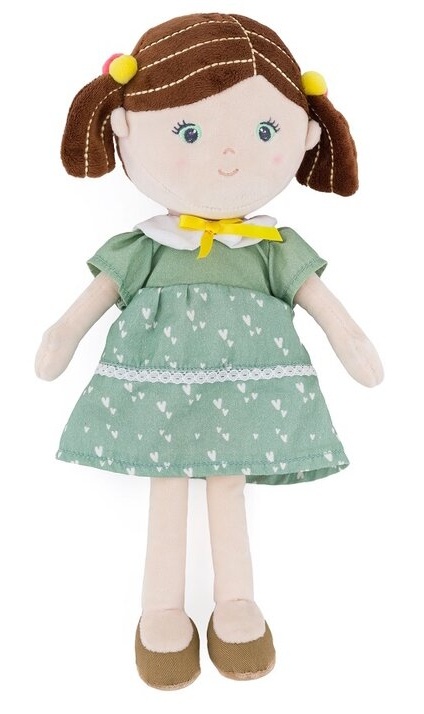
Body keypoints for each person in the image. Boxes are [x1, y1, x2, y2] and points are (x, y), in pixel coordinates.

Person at [35, 12, 383, 690]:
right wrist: (61, 335)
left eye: (264, 132)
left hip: (247, 394)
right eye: (189, 132)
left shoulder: (271, 247)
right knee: (168, 489)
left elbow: (323, 304)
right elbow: (92, 301)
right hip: (159, 392)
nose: (228, 156)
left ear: (305, 135)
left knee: (227, 488)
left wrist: (353, 341)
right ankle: (160, 611)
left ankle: (236, 605)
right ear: (125, 127)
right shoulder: (145, 246)